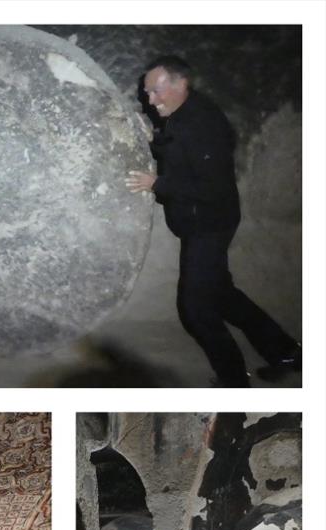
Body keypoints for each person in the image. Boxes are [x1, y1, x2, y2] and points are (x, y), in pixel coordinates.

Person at [125, 55, 301, 388]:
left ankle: (234, 381)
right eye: (147, 93)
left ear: (181, 83)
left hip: (209, 223)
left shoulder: (202, 122)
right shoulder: (182, 113)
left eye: (156, 91)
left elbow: (211, 187)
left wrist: (157, 184)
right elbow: (183, 154)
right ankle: (286, 352)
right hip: (201, 221)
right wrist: (154, 141)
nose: (150, 100)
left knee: (196, 309)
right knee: (222, 295)